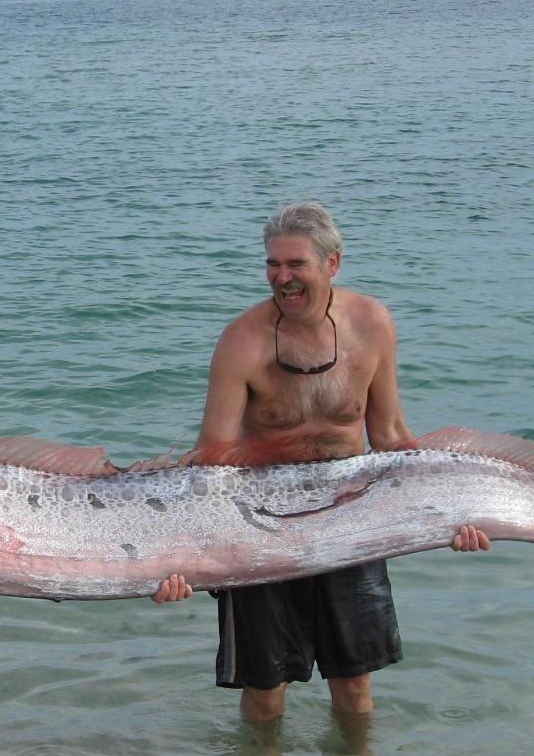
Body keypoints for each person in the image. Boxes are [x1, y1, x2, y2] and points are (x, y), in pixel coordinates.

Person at [153, 202, 489, 721]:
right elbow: (212, 465)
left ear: (332, 264)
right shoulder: (242, 342)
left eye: (295, 265)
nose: (281, 278)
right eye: (272, 265)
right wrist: (184, 561)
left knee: (355, 688)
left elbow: (392, 438)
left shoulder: (371, 323)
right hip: (261, 521)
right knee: (266, 691)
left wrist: (457, 513)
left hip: (352, 515)